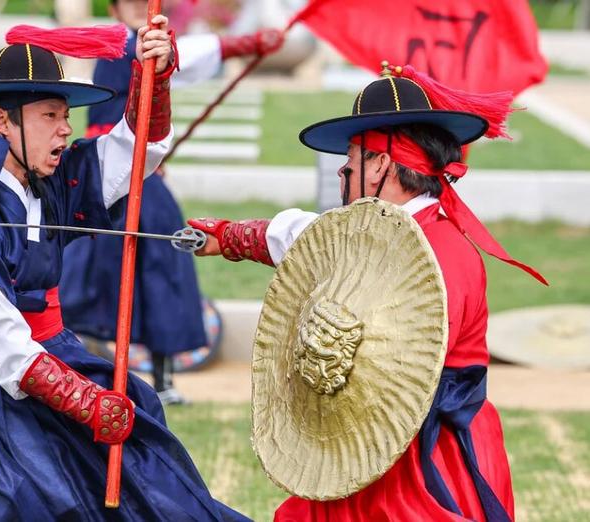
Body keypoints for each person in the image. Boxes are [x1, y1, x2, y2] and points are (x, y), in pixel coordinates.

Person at [0, 17, 248, 521]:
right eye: (50, 114)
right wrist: (86, 402)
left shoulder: (51, 183)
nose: (66, 127)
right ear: (3, 122)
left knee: (149, 489)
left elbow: (132, 156)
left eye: (65, 114)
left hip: (55, 359)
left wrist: (151, 78)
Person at [189, 64, 547, 521]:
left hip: (427, 458)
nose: (343, 169)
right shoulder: (372, 232)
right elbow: (310, 238)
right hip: (362, 438)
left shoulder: (444, 253)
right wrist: (228, 236)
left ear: (382, 164)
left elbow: (402, 357)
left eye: (354, 157)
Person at [61, 0, 283, 404]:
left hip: (146, 183)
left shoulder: (150, 45)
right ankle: (92, 368)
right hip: (108, 179)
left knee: (161, 274)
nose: (135, 9)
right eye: (127, 2)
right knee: (97, 275)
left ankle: (161, 382)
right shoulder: (120, 45)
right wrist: (247, 42)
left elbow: (189, 58)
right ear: (114, 10)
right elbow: (195, 55)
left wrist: (246, 45)